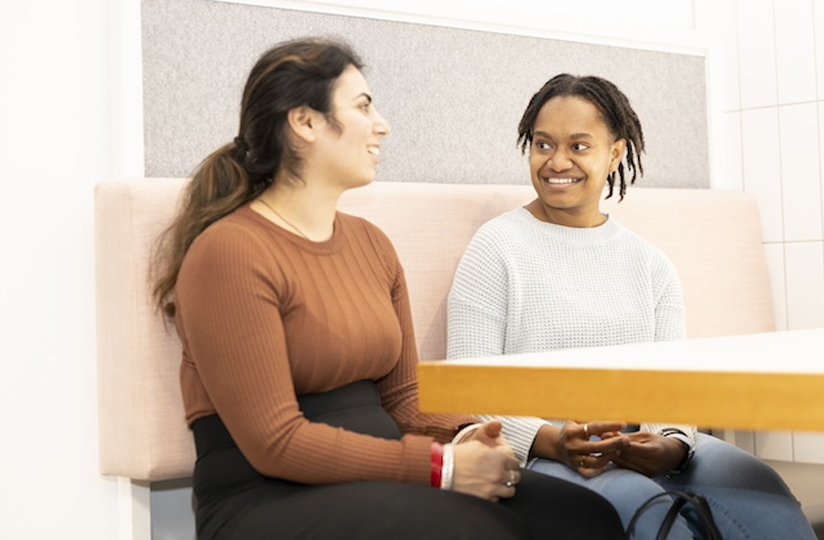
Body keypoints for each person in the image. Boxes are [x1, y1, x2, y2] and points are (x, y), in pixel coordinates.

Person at [150, 40, 626, 540]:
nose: (382, 124)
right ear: (305, 123)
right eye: (362, 106)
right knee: (475, 529)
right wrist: (440, 468)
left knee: (583, 516)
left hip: (382, 478)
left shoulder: (371, 245)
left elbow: (402, 397)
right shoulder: (228, 252)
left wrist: (469, 438)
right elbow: (276, 442)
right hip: (265, 496)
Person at [446, 73, 819, 540]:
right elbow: (466, 390)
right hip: (543, 453)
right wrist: (555, 440)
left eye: (578, 146)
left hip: (639, 445)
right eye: (543, 145)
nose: (556, 161)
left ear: (615, 153)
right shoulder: (495, 248)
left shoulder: (649, 262)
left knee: (760, 488)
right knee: (647, 509)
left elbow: (672, 388)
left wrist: (671, 446)